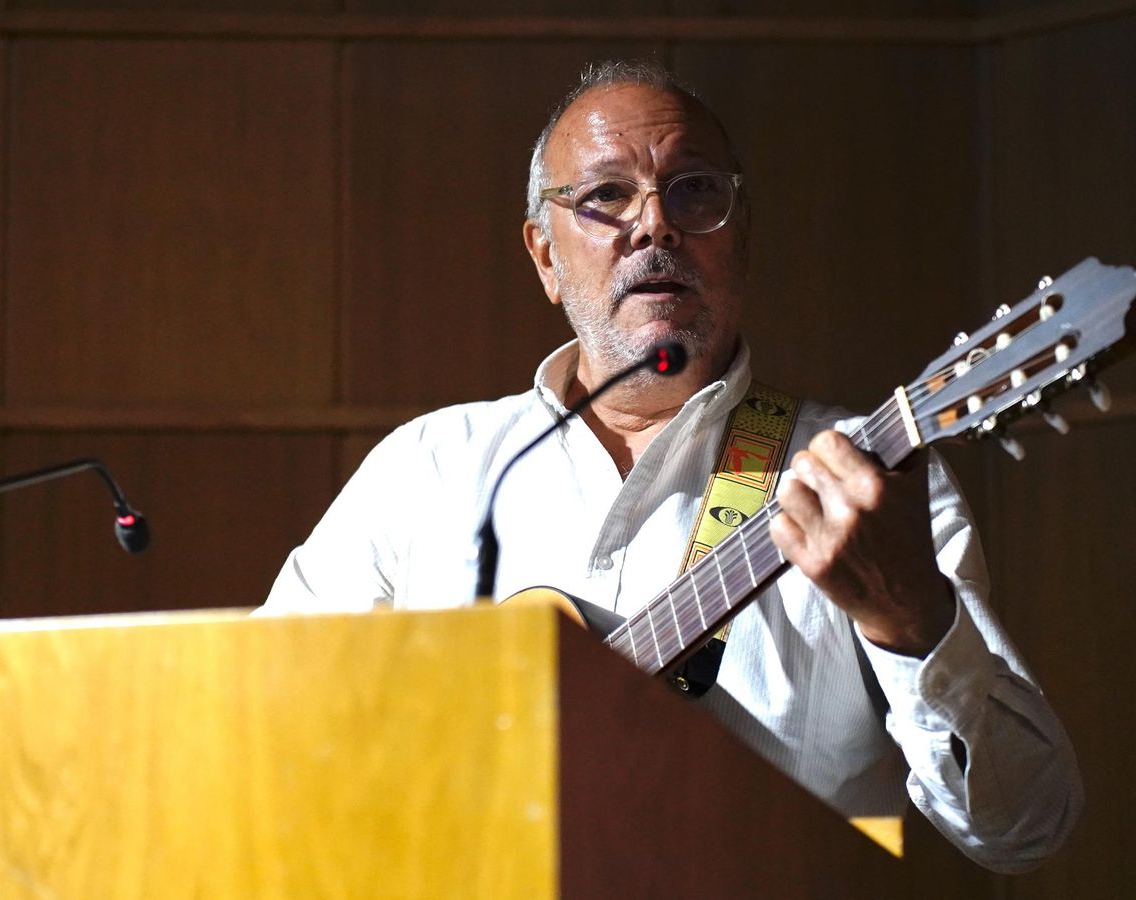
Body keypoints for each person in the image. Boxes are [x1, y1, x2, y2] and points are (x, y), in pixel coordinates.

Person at [258, 59, 1081, 873]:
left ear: (743, 238)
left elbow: (1025, 828)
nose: (654, 224)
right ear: (545, 256)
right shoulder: (429, 469)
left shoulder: (864, 486)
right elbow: (260, 727)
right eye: (607, 195)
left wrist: (914, 622)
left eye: (694, 191)